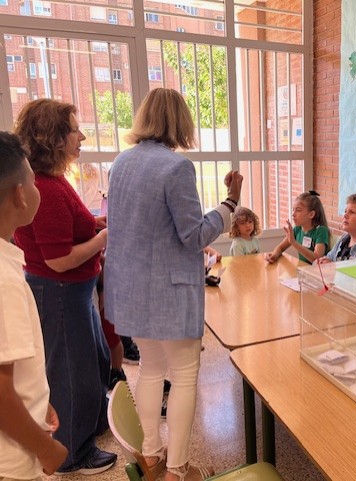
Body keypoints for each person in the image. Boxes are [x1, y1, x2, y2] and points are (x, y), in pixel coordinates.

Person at [104, 88, 243, 481]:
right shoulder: (176, 167)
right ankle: (178, 470)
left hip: (131, 287)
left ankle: (152, 455)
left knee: (150, 367)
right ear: (180, 121)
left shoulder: (121, 163)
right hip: (169, 289)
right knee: (183, 374)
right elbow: (193, 235)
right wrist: (230, 203)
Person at [12, 100, 116, 475]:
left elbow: (69, 227)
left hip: (73, 290)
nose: (82, 137)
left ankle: (89, 426)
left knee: (94, 360)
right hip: (60, 291)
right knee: (73, 373)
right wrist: (102, 238)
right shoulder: (48, 189)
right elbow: (59, 259)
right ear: (54, 137)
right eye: (75, 130)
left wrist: (94, 224)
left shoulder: (54, 182)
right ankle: (72, 454)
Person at [0, 132, 69, 479]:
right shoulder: (4, 281)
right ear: (19, 195)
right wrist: (46, 448)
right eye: (32, 180)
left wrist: (37, 399)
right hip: (12, 462)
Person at [265, 190, 330, 264]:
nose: (293, 214)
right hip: (302, 269)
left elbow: (316, 259)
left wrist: (294, 243)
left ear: (311, 214)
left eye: (298, 210)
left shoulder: (321, 231)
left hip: (316, 270)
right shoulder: (297, 229)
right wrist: (274, 255)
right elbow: (280, 248)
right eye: (293, 210)